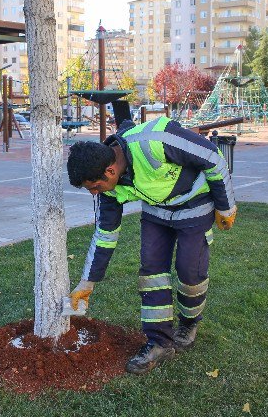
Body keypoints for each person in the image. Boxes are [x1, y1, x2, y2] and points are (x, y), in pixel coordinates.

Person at [66, 116, 236, 375]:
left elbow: (211, 156)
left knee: (190, 271)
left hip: (195, 203)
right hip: (157, 213)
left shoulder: (155, 140)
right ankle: (159, 342)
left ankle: (189, 323)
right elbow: (105, 234)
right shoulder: (108, 187)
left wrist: (226, 207)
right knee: (152, 274)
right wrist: (87, 283)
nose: (94, 193)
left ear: (109, 171)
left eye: (94, 187)